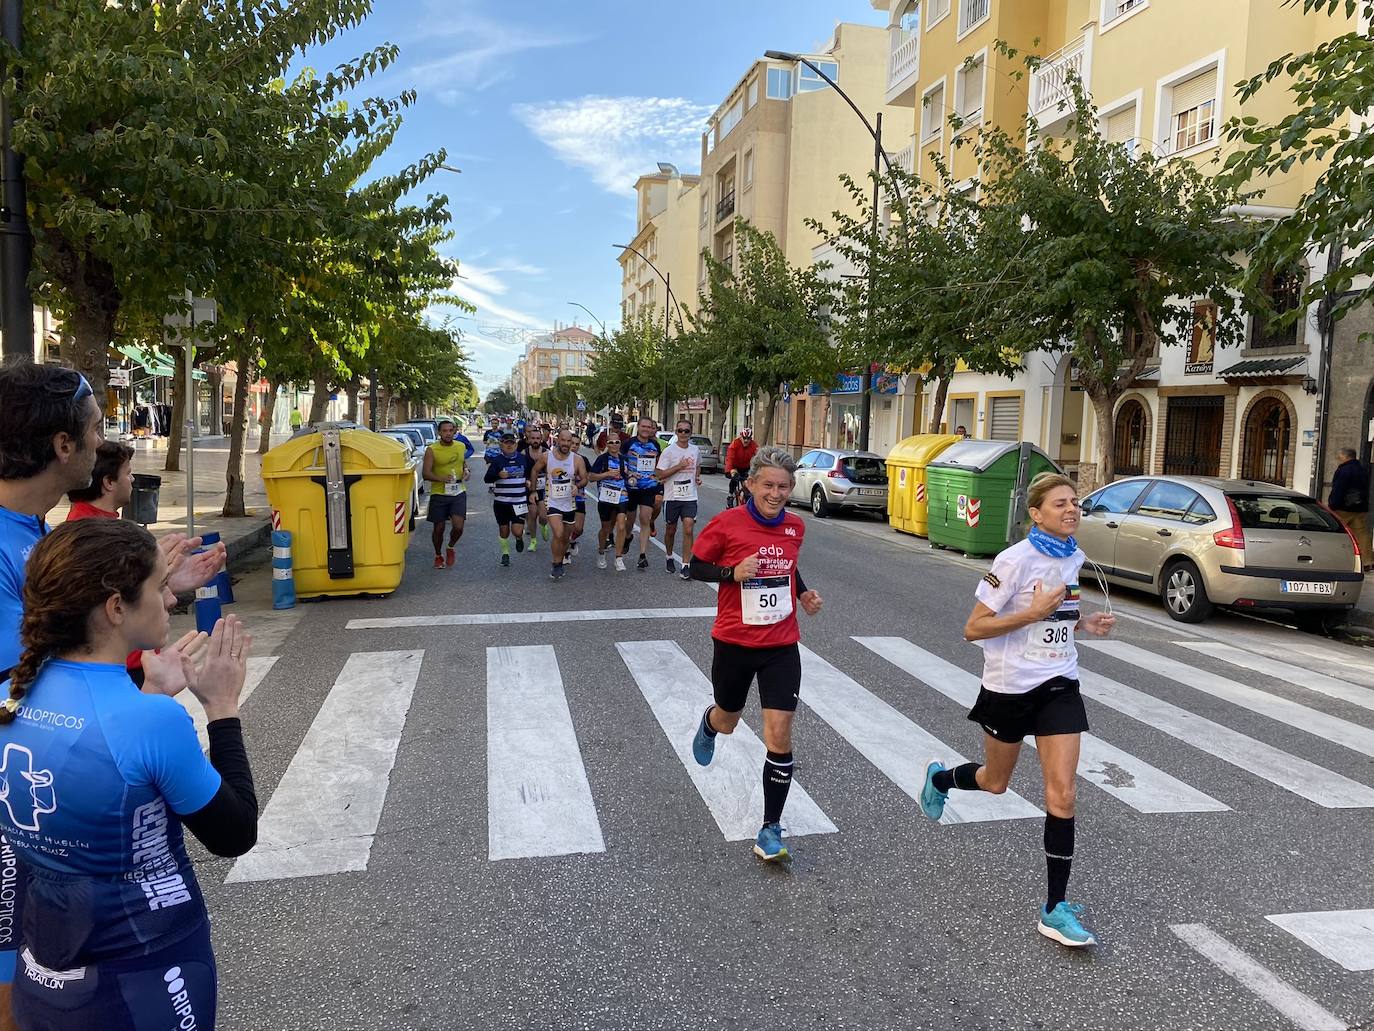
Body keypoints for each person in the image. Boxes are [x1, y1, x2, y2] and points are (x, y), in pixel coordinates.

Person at [0, 519, 257, 1030]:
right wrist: (223, 707)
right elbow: (235, 834)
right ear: (116, 607)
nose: (171, 601)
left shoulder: (14, 694)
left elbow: (98, 756)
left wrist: (152, 694)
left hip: (45, 960)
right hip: (147, 964)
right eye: (160, 587)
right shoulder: (150, 722)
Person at [919, 472, 1116, 949]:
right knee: (995, 781)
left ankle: (1054, 908)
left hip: (1059, 684)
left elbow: (1058, 616)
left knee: (1063, 794)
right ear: (1036, 513)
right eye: (1060, 504)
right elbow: (974, 628)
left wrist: (1082, 623)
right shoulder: (1012, 561)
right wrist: (1031, 613)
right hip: (1009, 688)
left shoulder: (1075, 557)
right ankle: (942, 779)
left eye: (1075, 503)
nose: (1072, 510)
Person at [687, 447, 824, 862]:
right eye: (768, 485)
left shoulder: (796, 527)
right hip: (733, 642)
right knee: (729, 719)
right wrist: (731, 573)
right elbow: (694, 567)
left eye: (783, 486)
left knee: (779, 735)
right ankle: (710, 723)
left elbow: (788, 567)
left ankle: (770, 828)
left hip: (781, 645)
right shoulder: (728, 523)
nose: (777, 493)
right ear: (750, 485)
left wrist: (803, 594)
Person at [527, 430, 588, 581]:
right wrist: (534, 491)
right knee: (559, 533)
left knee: (565, 537)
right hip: (552, 501)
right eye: (563, 440)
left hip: (569, 503)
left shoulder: (577, 459)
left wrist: (577, 485)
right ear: (557, 440)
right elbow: (534, 471)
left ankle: (560, 560)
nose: (566, 444)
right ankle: (556, 563)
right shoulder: (547, 457)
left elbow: (585, 478)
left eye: (569, 441)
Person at [422, 418, 470, 569]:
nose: (448, 434)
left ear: (455, 431)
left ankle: (450, 547)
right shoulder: (432, 449)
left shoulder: (461, 446)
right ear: (439, 433)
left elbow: (463, 464)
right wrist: (441, 479)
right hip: (439, 493)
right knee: (439, 528)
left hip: (458, 491)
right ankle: (438, 555)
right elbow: (426, 474)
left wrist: (467, 471)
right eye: (444, 431)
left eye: (450, 430)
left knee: (458, 527)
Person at [657, 420, 702, 579]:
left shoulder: (695, 450)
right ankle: (669, 556)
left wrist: (696, 477)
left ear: (690, 433)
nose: (683, 434)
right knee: (671, 529)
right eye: (680, 430)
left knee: (689, 528)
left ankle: (685, 565)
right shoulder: (669, 451)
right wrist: (678, 466)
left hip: (690, 495)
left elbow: (697, 465)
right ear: (676, 432)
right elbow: (659, 474)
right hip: (672, 496)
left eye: (686, 431)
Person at [484, 432, 531, 567]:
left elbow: (530, 473)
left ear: (516, 444)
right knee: (504, 530)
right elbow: (487, 479)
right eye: (506, 443)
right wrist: (497, 474)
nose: (509, 446)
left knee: (517, 530)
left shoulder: (523, 459)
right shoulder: (497, 460)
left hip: (519, 501)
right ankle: (505, 553)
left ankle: (519, 538)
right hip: (501, 502)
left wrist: (528, 482)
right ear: (501, 445)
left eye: (512, 443)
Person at [621, 418, 663, 570]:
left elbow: (658, 463)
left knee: (645, 518)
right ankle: (627, 537)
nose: (646, 429)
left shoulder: (655, 445)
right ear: (638, 427)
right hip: (632, 487)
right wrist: (629, 472)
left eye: (649, 427)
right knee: (630, 521)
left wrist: (658, 478)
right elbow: (621, 461)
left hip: (648, 487)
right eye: (643, 426)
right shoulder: (628, 443)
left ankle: (642, 555)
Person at [589, 428, 631, 571]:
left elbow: (629, 476)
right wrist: (606, 474)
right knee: (605, 528)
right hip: (606, 496)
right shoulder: (602, 459)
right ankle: (601, 551)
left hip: (622, 495)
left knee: (621, 526)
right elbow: (591, 477)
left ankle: (618, 558)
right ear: (607, 444)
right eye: (611, 442)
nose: (614, 445)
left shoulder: (624, 459)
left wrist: (632, 478)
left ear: (620, 444)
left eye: (617, 442)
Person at [64, 441, 135, 521]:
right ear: (109, 482)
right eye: (128, 473)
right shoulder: (96, 530)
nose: (132, 479)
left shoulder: (80, 520)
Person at [1329, 447, 1371, 571]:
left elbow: (1339, 489)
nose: (1338, 459)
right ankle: (1367, 561)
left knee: (1336, 531)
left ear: (1345, 457)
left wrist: (1333, 504)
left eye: (1339, 456)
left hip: (1343, 507)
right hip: (1360, 507)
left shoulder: (1344, 470)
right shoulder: (1362, 469)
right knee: (1362, 534)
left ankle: (1333, 558)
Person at [519, 425, 551, 554]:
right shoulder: (524, 453)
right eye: (533, 438)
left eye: (538, 438)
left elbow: (552, 470)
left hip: (543, 488)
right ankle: (533, 540)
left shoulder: (546, 452)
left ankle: (543, 525)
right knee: (532, 514)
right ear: (529, 439)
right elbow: (520, 471)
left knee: (543, 516)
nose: (536, 440)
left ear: (541, 439)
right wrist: (525, 480)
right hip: (529, 488)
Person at [724, 427, 758, 508]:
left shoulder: (754, 445)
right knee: (734, 479)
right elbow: (729, 458)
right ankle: (730, 496)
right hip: (735, 466)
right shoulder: (735, 444)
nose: (746, 441)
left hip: (746, 467)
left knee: (747, 484)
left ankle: (747, 501)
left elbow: (758, 458)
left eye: (748, 438)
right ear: (740, 437)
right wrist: (731, 471)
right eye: (744, 438)